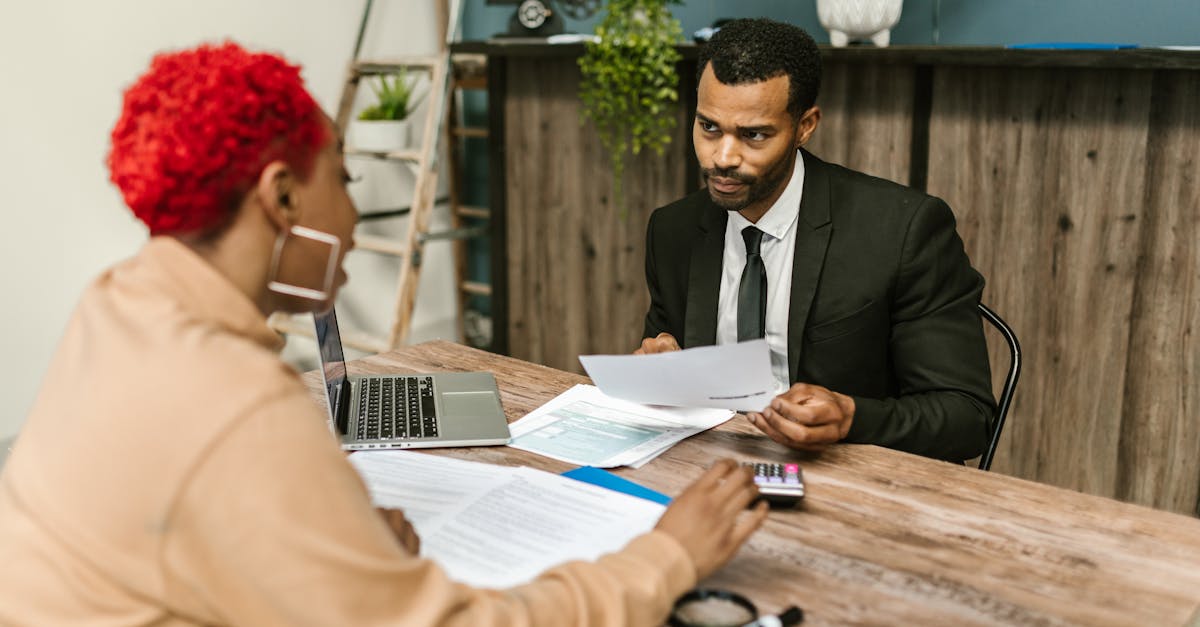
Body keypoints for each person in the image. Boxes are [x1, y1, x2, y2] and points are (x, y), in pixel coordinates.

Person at [0, 42, 767, 626]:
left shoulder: (117, 303)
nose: (353, 214)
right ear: (282, 197)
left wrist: (330, 548)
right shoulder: (240, 406)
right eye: (345, 178)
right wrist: (666, 555)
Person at [637, 19, 996, 463]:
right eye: (709, 127)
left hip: (850, 474)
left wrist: (852, 419)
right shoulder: (674, 231)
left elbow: (967, 417)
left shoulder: (902, 230)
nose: (723, 157)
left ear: (805, 126)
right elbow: (668, 370)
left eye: (753, 135)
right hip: (711, 467)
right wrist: (657, 372)